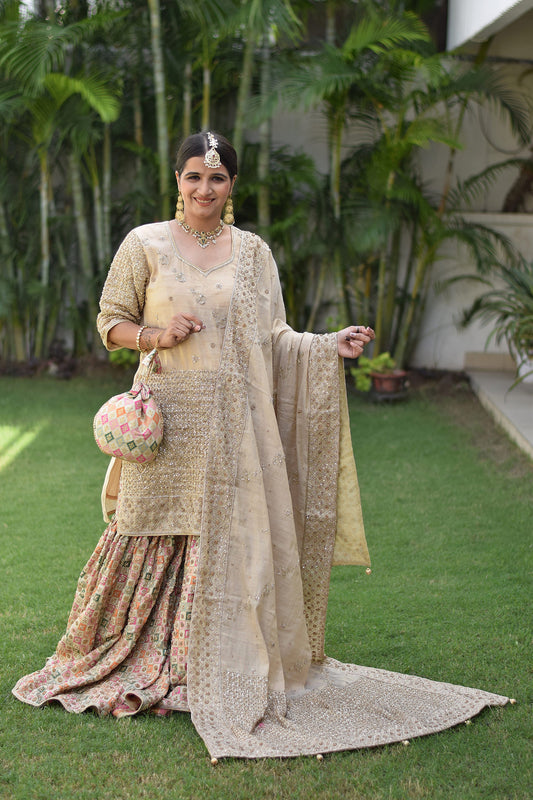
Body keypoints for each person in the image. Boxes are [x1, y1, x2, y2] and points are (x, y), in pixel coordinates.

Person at [13, 131, 509, 760]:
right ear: (177, 180)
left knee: (227, 541)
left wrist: (327, 346)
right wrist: (157, 335)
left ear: (232, 187)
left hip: (235, 427)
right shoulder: (145, 243)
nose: (204, 189)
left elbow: (273, 338)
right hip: (168, 423)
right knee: (148, 531)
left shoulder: (253, 253)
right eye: (194, 176)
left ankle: (207, 667)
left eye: (217, 179)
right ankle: (132, 654)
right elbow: (110, 324)